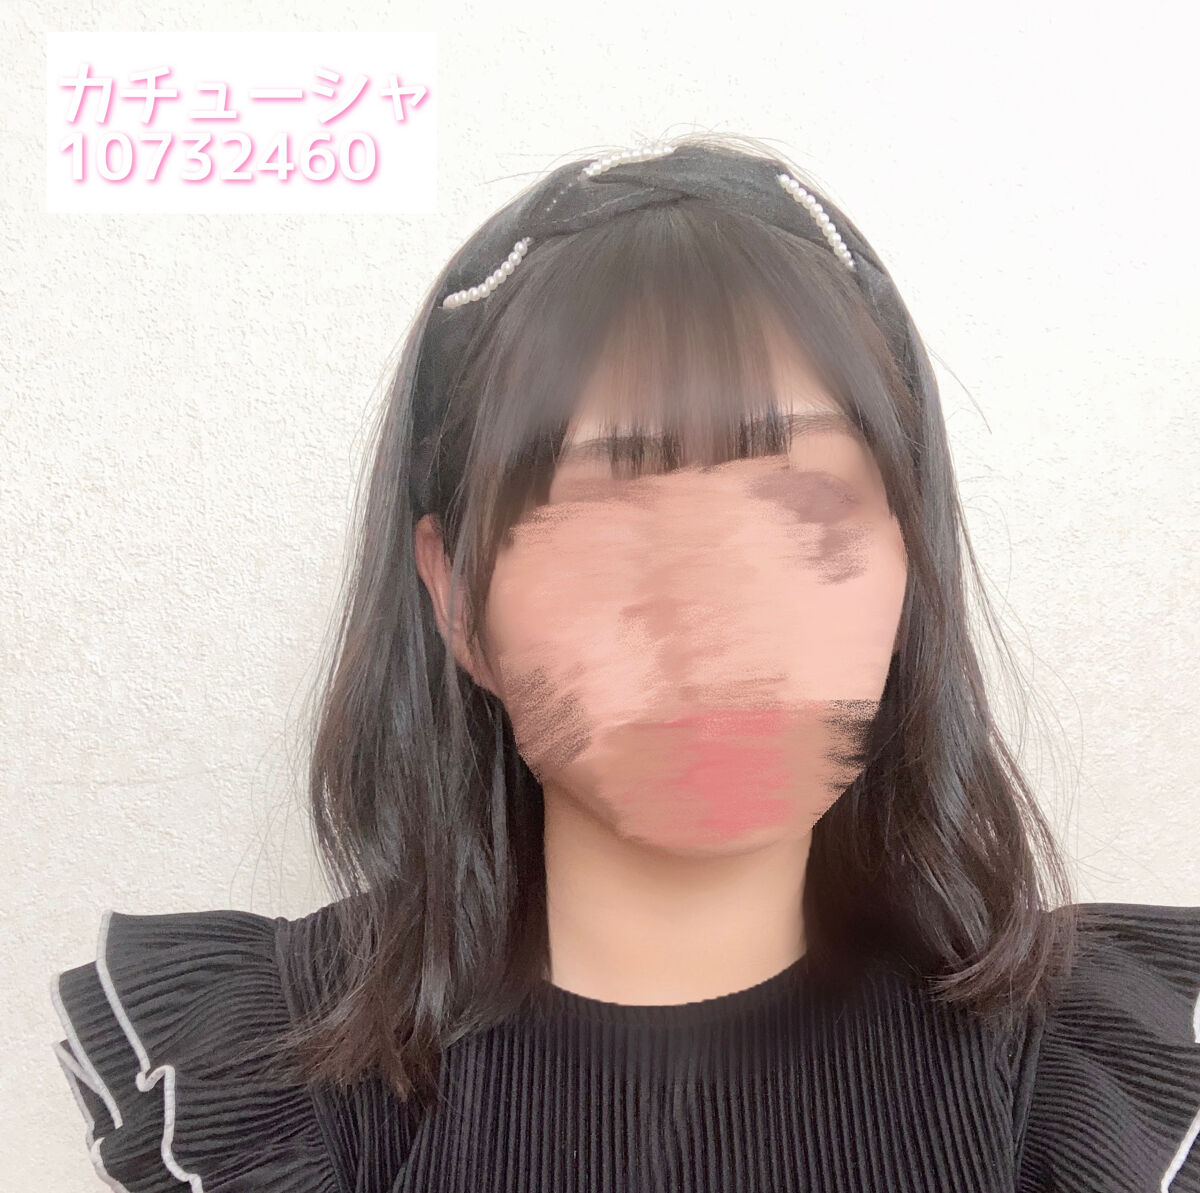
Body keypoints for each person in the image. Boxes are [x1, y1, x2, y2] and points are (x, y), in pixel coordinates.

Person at [49, 134, 1200, 1193]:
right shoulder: (284, 1085)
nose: (712, 608)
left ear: (911, 565)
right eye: (606, 517)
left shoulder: (1080, 1082)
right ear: (457, 599)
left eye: (802, 508)